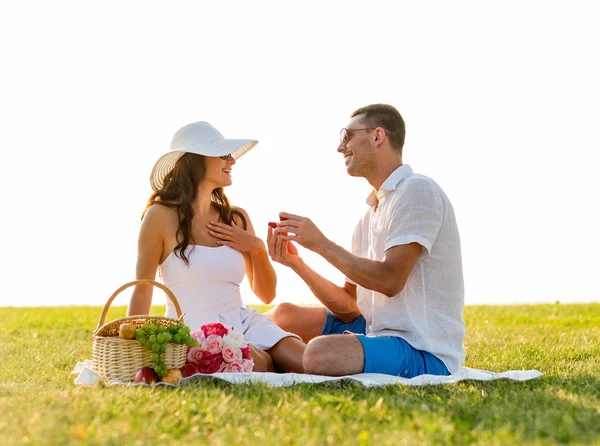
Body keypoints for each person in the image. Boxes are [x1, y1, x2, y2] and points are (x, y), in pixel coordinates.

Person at [267, 104, 466, 378]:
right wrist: (297, 263)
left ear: (377, 136)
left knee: (318, 354)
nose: (340, 147)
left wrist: (321, 244)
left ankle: (272, 360)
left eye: (347, 136)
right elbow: (350, 305)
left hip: (421, 350)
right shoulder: (368, 217)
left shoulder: (417, 190)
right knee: (284, 316)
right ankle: (276, 357)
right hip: (376, 332)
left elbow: (390, 281)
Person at [126, 121, 306, 373]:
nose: (231, 160)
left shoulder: (236, 218)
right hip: (198, 332)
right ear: (196, 160)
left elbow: (267, 295)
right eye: (222, 154)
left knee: (311, 361)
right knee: (264, 363)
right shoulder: (159, 216)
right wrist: (129, 343)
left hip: (245, 321)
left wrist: (256, 248)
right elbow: (143, 290)